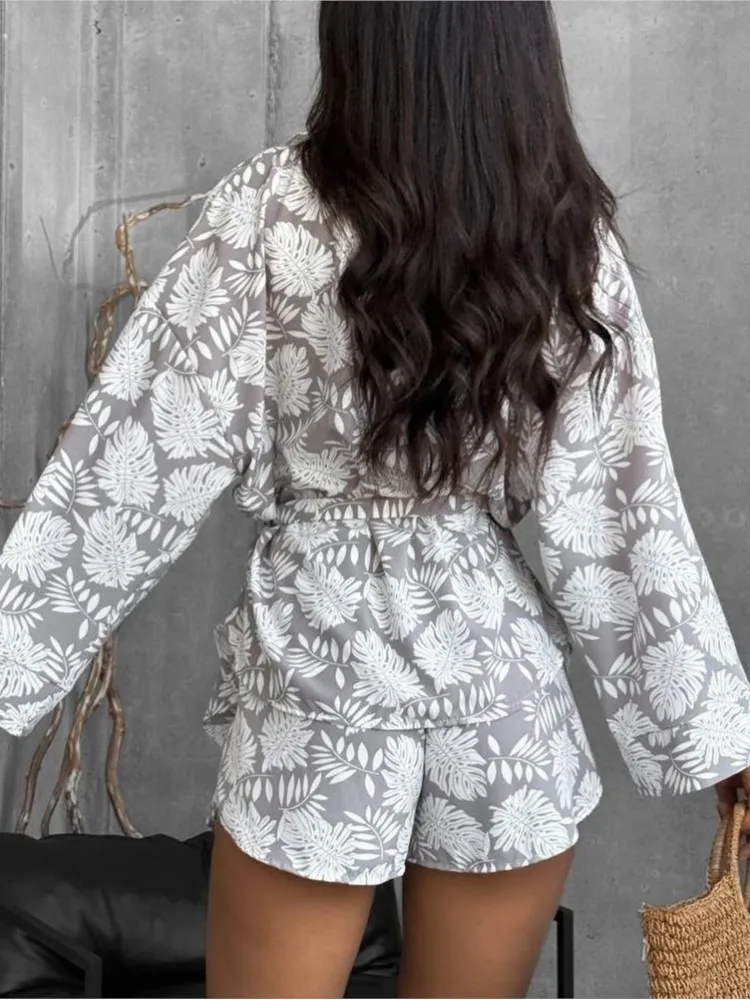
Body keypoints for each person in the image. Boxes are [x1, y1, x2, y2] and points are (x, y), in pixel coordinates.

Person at [1, 1, 749, 996]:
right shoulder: (565, 230)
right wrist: (717, 737)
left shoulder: (270, 210)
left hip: (324, 673)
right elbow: (621, 508)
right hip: (498, 683)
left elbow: (134, 461)